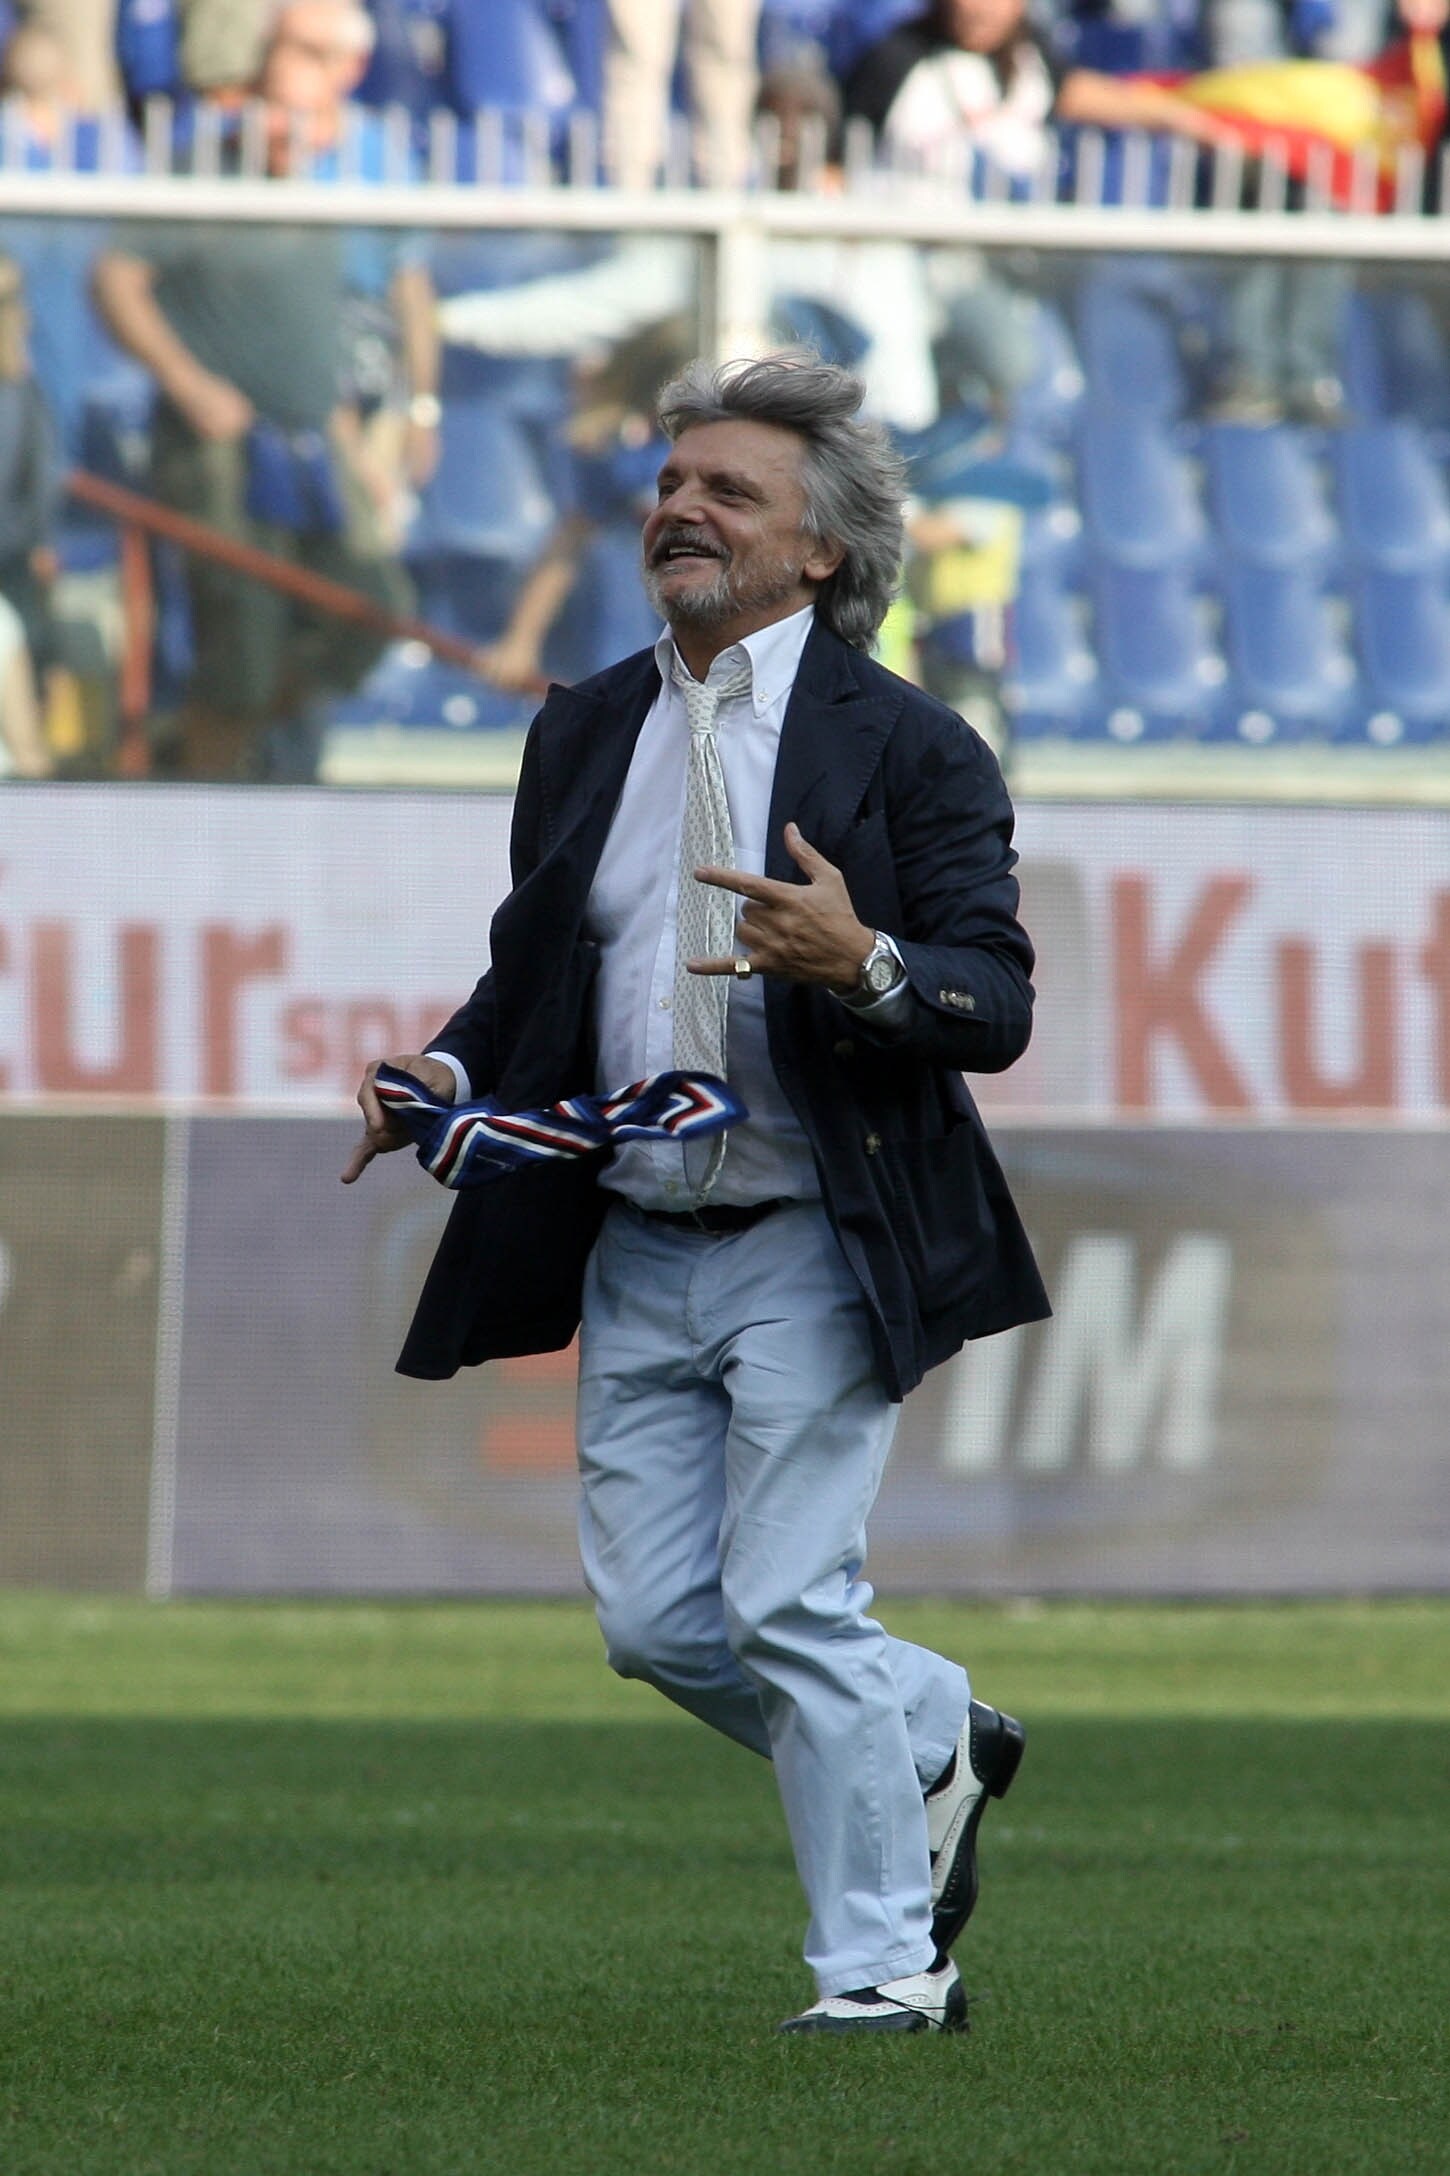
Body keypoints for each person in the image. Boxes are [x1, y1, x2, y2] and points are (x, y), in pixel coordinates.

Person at [343, 352, 1049, 2036]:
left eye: (731, 489)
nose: (681, 507)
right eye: (672, 482)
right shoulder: (586, 724)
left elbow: (995, 998)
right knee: (661, 1625)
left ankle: (886, 1973)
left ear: (820, 548)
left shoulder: (916, 747)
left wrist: (863, 960)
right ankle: (925, 1729)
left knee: (791, 1605)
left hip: (819, 1236)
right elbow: (533, 975)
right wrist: (444, 1067)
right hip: (637, 1233)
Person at [91, 0, 437, 779]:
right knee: (241, 635)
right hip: (219, 447)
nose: (290, 126)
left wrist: (358, 444)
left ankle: (212, 737)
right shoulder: (200, 173)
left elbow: (319, 337)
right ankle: (209, 778)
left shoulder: (318, 193)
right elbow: (115, 280)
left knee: (372, 608)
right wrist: (188, 385)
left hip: (315, 441)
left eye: (305, 114)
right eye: (276, 107)